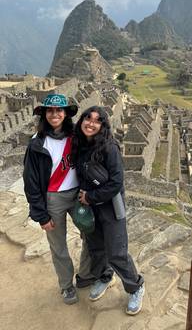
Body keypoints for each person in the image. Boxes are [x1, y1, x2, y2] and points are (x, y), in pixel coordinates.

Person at [23, 94, 113, 305]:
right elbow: (31, 181)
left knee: (90, 235)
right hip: (52, 198)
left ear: (65, 114)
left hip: (77, 195)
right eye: (50, 111)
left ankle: (85, 275)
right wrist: (40, 214)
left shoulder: (76, 137)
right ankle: (66, 286)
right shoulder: (37, 144)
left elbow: (99, 147)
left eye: (59, 110)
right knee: (58, 246)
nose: (55, 114)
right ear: (45, 114)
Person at [71, 106, 144, 316]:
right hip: (90, 208)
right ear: (82, 120)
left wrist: (90, 196)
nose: (91, 123)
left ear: (103, 126)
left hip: (110, 208)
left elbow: (116, 183)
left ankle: (136, 286)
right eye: (88, 118)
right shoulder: (79, 145)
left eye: (97, 121)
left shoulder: (110, 148)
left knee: (116, 252)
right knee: (96, 248)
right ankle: (105, 276)